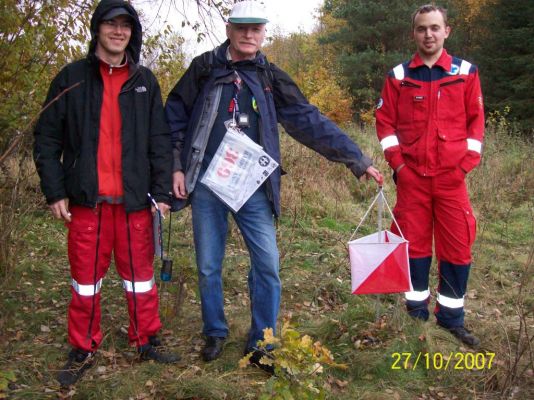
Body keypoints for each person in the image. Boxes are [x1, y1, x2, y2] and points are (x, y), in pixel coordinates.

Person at [165, 0, 383, 372]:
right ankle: (215, 331)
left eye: (256, 29)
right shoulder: (204, 67)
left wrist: (355, 158)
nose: (249, 35)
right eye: (242, 28)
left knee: (267, 263)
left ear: (264, 32)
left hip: (253, 187)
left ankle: (263, 342)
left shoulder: (269, 75)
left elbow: (306, 119)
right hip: (206, 184)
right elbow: (174, 114)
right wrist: (176, 167)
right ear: (229, 30)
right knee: (207, 265)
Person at [33, 0, 179, 387]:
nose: (118, 31)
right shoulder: (72, 78)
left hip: (133, 204)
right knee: (85, 280)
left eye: (125, 26)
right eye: (111, 24)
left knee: (141, 279)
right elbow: (47, 137)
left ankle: (146, 339)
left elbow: (160, 140)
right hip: (87, 204)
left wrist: (162, 193)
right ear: (97, 29)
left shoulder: (144, 80)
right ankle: (82, 347)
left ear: (132, 33)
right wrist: (54, 192)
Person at [375, 4, 485, 347]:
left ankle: (452, 318)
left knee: (457, 246)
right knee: (414, 246)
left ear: (446, 31)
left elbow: (476, 125)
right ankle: (415, 312)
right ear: (414, 33)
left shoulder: (465, 72)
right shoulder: (398, 76)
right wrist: (400, 167)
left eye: (435, 28)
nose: (428, 34)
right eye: (422, 28)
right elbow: (386, 126)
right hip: (413, 180)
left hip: (452, 179)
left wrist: (463, 167)